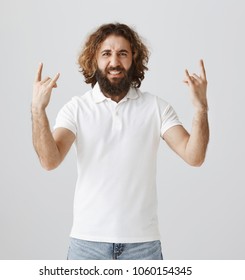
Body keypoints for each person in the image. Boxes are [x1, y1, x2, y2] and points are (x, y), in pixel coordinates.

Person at [31, 23, 209, 260]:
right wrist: (37, 109)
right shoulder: (76, 109)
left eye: (122, 53)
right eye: (106, 54)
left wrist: (201, 108)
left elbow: (194, 156)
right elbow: (49, 160)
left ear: (133, 59)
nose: (114, 62)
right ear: (94, 60)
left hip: (143, 246)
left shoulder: (156, 107)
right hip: (87, 245)